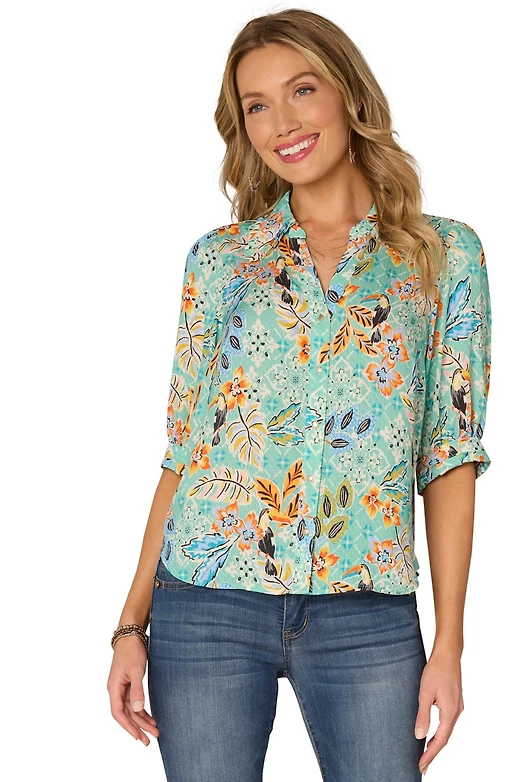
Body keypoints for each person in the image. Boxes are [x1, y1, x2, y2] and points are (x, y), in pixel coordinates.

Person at [106, 9, 492, 782]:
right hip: (206, 604)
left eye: (302, 90)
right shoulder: (221, 262)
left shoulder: (444, 256)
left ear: (349, 93)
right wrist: (128, 626)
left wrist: (448, 643)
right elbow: (184, 452)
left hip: (367, 610)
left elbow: (448, 455)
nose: (281, 122)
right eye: (257, 105)